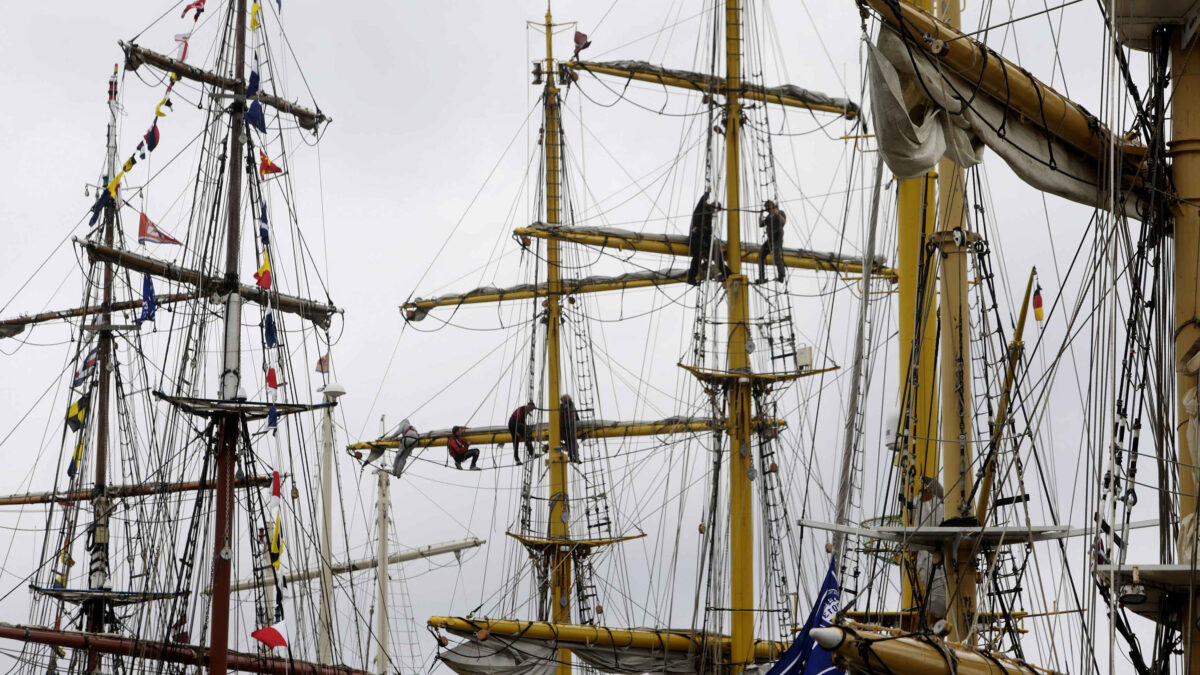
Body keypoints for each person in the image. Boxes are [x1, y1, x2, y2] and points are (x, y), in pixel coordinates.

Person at [686, 191, 728, 285]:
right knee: (697, 256)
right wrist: (707, 194)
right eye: (716, 209)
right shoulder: (702, 208)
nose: (715, 212)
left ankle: (727, 273)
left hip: (704, 238)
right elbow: (701, 202)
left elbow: (708, 231)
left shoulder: (709, 217)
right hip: (696, 236)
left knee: (716, 253)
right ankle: (691, 278)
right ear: (713, 206)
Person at [757, 200, 787, 284]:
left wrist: (776, 213)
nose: (767, 208)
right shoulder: (768, 217)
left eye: (768, 206)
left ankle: (781, 276)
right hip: (770, 240)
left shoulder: (780, 212)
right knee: (760, 256)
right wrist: (760, 215)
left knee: (777, 257)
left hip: (777, 238)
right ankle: (761, 278)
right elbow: (760, 224)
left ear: (772, 206)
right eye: (766, 207)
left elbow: (783, 222)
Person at [559, 394, 581, 464]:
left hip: (569, 425)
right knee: (571, 441)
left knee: (572, 442)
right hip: (566, 426)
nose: (563, 402)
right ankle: (573, 457)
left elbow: (575, 414)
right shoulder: (563, 406)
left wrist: (578, 422)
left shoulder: (569, 406)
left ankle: (574, 457)